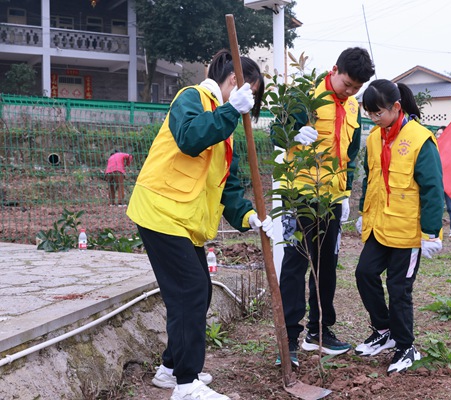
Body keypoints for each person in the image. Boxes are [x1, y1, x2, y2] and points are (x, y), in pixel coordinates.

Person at [126, 49, 272, 400]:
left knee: (198, 290)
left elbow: (228, 184)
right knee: (190, 291)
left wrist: (249, 217)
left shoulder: (225, 122)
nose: (249, 105)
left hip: (183, 220)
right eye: (251, 94)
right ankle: (186, 384)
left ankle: (170, 369)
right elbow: (190, 138)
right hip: (161, 211)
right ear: (235, 81)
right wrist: (230, 111)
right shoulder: (191, 98)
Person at [274, 47, 375, 366]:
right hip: (299, 194)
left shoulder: (354, 106)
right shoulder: (304, 95)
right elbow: (275, 132)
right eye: (347, 84)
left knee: (326, 265)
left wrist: (344, 193)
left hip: (331, 196)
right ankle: (289, 338)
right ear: (334, 70)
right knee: (295, 263)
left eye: (356, 87)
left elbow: (351, 154)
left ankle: (320, 331)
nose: (350, 91)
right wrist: (293, 134)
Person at [354, 80, 444, 374]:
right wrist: (362, 212)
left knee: (398, 288)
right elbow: (370, 179)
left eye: (377, 113)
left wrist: (431, 233)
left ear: (395, 107)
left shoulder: (420, 139)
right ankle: (384, 331)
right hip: (379, 226)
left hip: (408, 232)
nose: (373, 118)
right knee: (365, 273)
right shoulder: (373, 139)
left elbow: (433, 189)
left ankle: (406, 347)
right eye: (369, 113)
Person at [435, 126, 451, 238]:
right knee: (437, 206)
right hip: (437, 182)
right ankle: (436, 229)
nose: (438, 136)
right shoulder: (434, 148)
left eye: (440, 134)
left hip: (449, 183)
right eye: (437, 134)